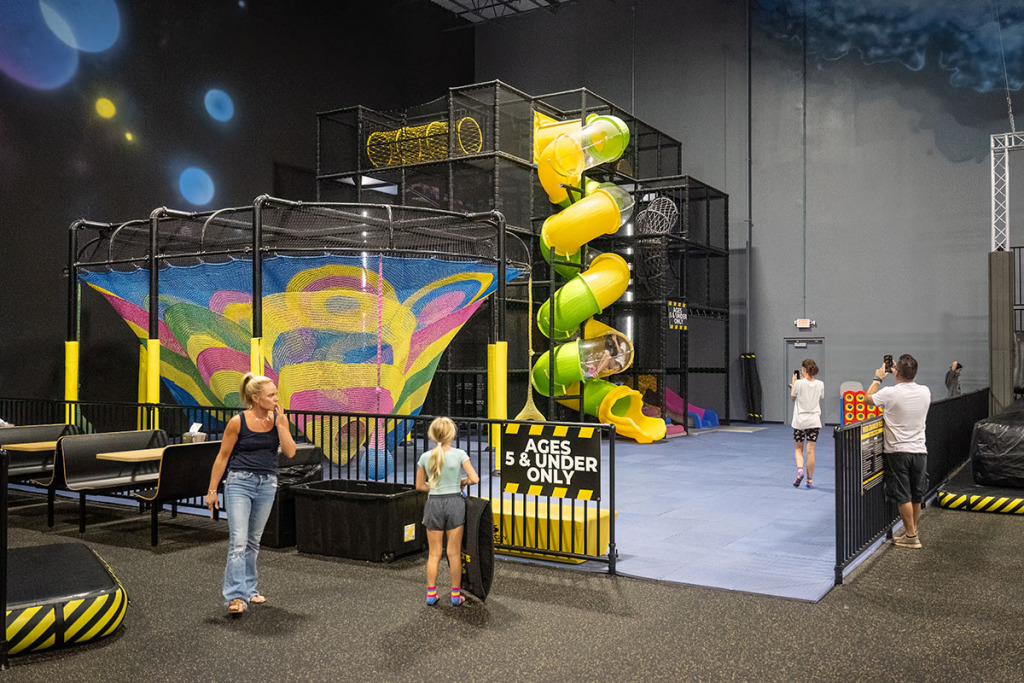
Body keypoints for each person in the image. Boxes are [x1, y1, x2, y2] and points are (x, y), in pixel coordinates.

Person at [205, 373, 297, 614]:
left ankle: (250, 590)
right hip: (239, 483)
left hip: (267, 484)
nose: (276, 399)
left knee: (253, 541)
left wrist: (281, 425)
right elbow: (222, 457)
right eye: (271, 395)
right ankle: (235, 597)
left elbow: (290, 452)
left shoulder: (278, 419)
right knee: (239, 541)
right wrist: (212, 490)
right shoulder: (238, 422)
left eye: (275, 394)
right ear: (256, 398)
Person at [866, 354, 931, 549]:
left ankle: (911, 536)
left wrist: (878, 378)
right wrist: (899, 371)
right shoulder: (925, 391)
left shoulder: (890, 393)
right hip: (919, 450)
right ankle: (913, 531)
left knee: (903, 495)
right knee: (917, 494)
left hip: (897, 451)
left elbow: (867, 398)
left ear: (896, 372)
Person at [415, 416, 479, 606]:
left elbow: (420, 486)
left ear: (432, 435)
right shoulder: (459, 454)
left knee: (434, 554)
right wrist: (462, 482)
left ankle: (431, 594)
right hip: (455, 504)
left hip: (434, 504)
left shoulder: (425, 457)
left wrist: (435, 486)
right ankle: (455, 595)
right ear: (452, 435)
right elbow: (474, 478)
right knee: (454, 553)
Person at [790, 359, 824, 488]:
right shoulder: (820, 384)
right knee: (811, 452)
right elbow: (820, 397)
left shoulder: (798, 383)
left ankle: (800, 471)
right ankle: (809, 481)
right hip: (814, 421)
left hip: (800, 421)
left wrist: (794, 384)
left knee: (799, 449)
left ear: (804, 370)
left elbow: (793, 398)